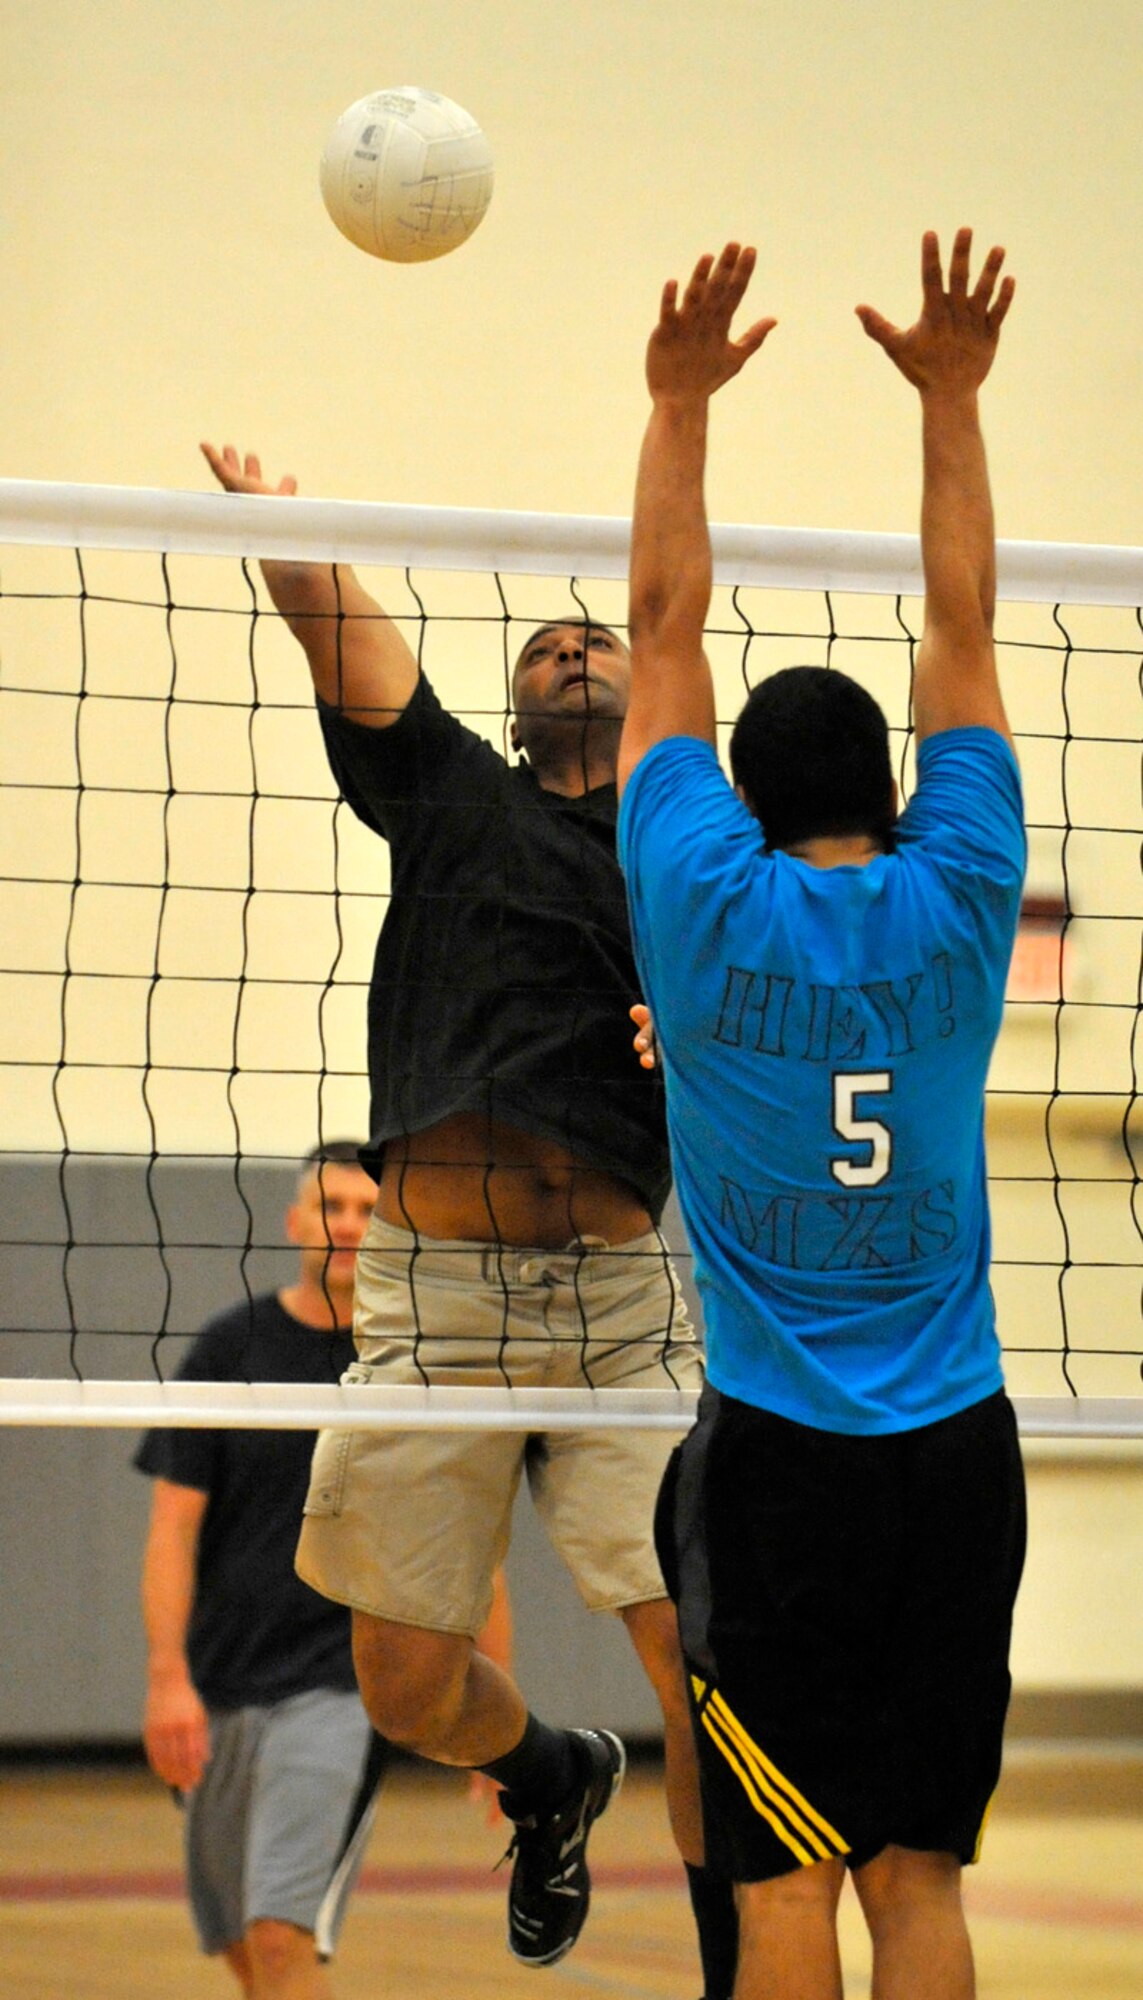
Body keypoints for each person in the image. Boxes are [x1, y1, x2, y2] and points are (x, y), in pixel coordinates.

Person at [196, 441, 731, 1995]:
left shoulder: (686, 858)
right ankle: (551, 1775)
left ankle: (723, 1972)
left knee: (704, 1674)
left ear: (647, 696)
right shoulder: (445, 792)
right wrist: (286, 531)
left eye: (599, 640)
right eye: (543, 647)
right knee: (406, 1687)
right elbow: (330, 622)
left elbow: (777, 1018)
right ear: (513, 709)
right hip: (436, 1302)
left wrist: (688, 1031)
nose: (571, 644)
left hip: (622, 1300)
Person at [616, 231, 1027, 2000]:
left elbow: (656, 628)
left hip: (778, 1467)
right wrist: (949, 400)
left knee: (776, 1896)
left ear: (742, 800)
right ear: (892, 786)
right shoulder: (968, 888)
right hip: (957, 1461)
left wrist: (676, 407)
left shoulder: (695, 907)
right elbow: (960, 623)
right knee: (915, 1883)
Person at [136, 1142, 512, 1999]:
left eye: (367, 1209)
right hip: (223, 1680)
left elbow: (471, 1553)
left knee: (279, 1933)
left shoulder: (418, 1361)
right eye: (331, 1207)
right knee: (236, 1936)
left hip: (343, 1692)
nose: (347, 1225)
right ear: (296, 1222)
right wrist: (167, 1679)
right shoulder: (229, 1350)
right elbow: (171, 1529)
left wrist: (494, 1723)